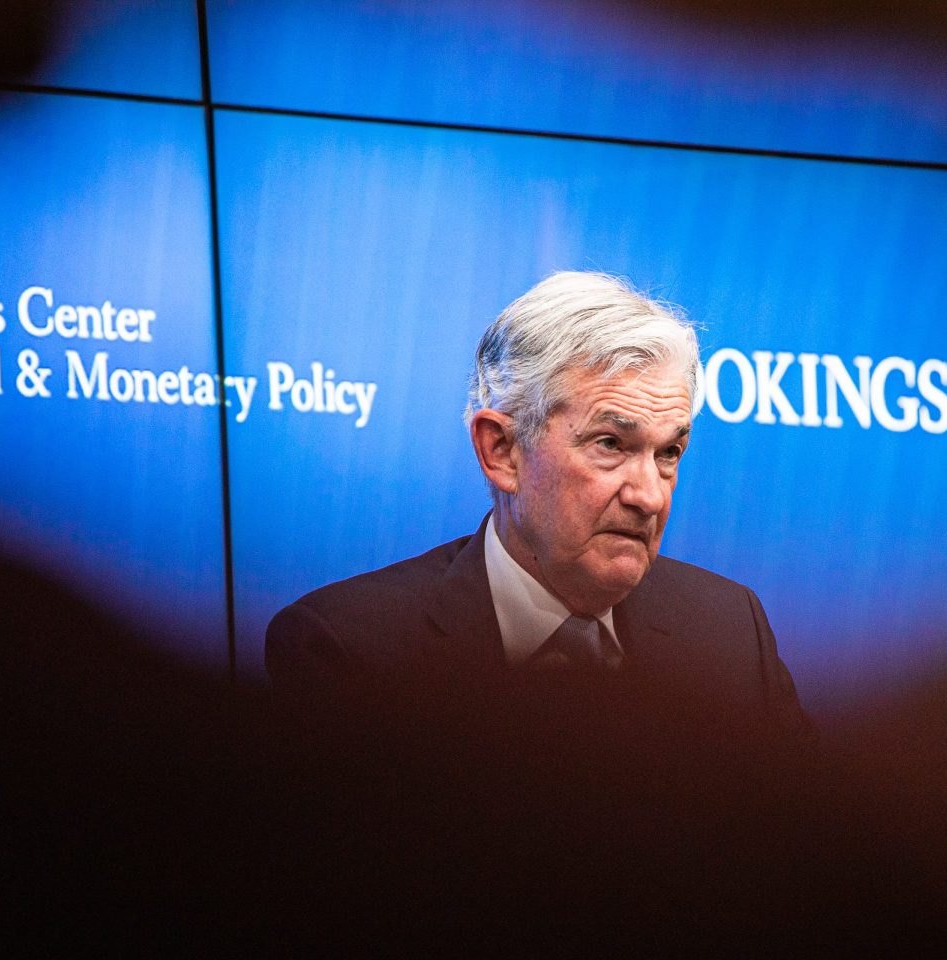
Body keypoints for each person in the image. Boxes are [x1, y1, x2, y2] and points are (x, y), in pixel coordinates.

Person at [266, 271, 811, 743]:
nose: (649, 496)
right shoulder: (351, 652)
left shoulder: (730, 633)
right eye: (610, 444)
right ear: (502, 451)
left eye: (668, 453)